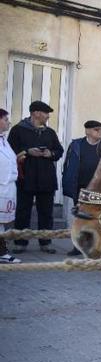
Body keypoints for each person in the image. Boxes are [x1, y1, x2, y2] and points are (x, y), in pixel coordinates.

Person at [8, 101, 64, 254]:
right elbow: (9, 152)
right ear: (36, 113)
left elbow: (59, 150)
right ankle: (20, 242)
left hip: (46, 179)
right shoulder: (18, 130)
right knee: (23, 211)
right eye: (46, 113)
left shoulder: (50, 132)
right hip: (25, 178)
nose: (48, 116)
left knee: (46, 213)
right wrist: (27, 151)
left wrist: (50, 153)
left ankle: (45, 242)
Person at [62, 120, 101, 255]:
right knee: (80, 218)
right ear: (87, 131)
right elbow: (67, 164)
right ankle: (78, 247)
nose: (100, 133)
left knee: (98, 219)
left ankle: (97, 247)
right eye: (97, 130)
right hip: (80, 188)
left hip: (98, 189)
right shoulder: (77, 145)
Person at [0, 108, 22, 264]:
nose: (8, 122)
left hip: (7, 187)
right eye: (6, 119)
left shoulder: (4, 140)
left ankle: (2, 251)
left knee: (1, 223)